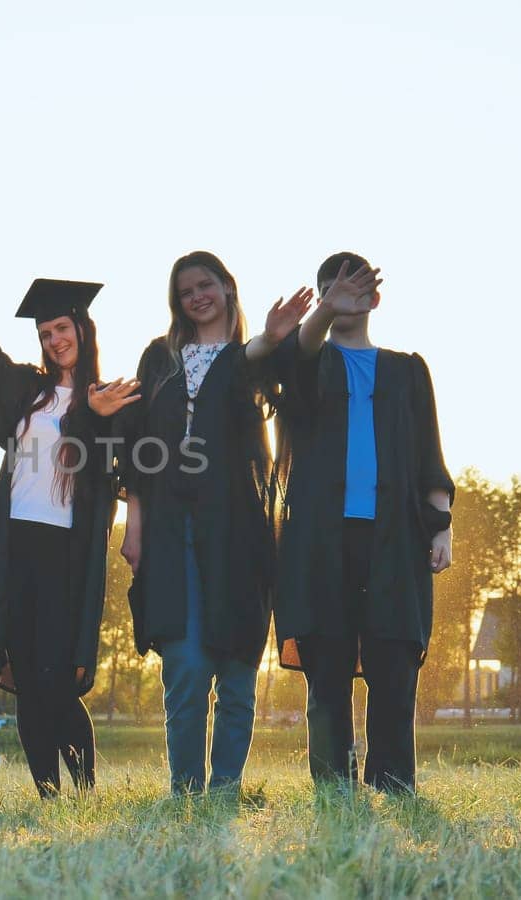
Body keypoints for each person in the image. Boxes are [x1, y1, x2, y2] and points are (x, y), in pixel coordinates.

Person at [0, 228, 139, 798]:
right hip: (16, 542)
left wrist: (92, 415)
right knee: (25, 677)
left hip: (66, 550)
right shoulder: (29, 390)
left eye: (62, 328)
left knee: (55, 679)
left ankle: (86, 791)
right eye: (45, 333)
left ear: (82, 330)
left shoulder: (107, 396)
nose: (53, 339)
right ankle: (49, 794)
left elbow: (105, 468)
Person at [116, 250, 310, 795]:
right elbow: (138, 448)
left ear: (227, 286)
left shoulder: (256, 359)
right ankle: (185, 789)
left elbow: (254, 362)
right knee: (184, 666)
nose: (196, 296)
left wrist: (274, 337)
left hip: (240, 532)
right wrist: (134, 526)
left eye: (206, 285)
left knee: (238, 671)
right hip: (171, 528)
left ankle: (225, 789)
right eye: (185, 291)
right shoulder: (160, 358)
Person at [269, 252, 453, 795]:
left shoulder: (407, 370)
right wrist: (322, 312)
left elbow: (429, 453)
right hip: (320, 541)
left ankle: (393, 783)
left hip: (395, 538)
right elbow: (295, 356)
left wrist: (440, 525)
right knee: (326, 671)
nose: (341, 296)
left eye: (352, 288)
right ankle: (334, 786)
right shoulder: (308, 361)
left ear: (374, 298)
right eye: (329, 288)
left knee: (394, 664)